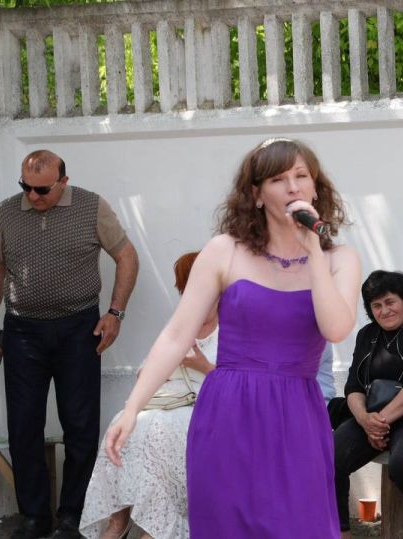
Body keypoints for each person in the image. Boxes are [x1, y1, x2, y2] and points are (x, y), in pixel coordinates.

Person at [103, 138, 361, 538]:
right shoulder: (224, 251)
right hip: (228, 413)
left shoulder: (338, 259)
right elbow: (176, 335)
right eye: (278, 179)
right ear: (256, 194)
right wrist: (132, 408)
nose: (293, 187)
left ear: (315, 188)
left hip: (297, 416)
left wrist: (313, 250)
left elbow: (336, 329)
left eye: (301, 176)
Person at [0, 150, 139, 539]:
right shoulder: (5, 213)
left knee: (80, 425)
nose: (32, 196)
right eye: (26, 187)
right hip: (22, 332)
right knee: (24, 426)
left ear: (63, 182)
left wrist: (115, 313)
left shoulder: (91, 206)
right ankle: (34, 517)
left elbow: (126, 256)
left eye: (42, 190)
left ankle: (73, 515)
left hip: (78, 330)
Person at [81, 251, 217, 539]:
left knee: (159, 430)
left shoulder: (234, 328)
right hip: (164, 401)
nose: (193, 296)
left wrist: (201, 365)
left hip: (206, 405)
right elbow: (145, 371)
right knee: (123, 425)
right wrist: (165, 365)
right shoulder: (181, 324)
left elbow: (240, 382)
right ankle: (118, 521)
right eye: (187, 289)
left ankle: (158, 528)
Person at [333, 270, 403, 539]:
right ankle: (341, 531)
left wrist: (379, 422)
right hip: (371, 418)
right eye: (376, 305)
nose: (384, 311)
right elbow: (354, 386)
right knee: (329, 458)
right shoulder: (367, 334)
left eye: (390, 302)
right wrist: (365, 420)